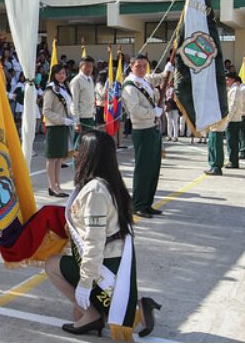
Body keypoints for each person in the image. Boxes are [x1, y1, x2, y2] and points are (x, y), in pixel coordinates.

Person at [45, 130, 161, 340]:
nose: (76, 154)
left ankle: (93, 315)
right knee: (77, 311)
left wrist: (85, 283)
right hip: (113, 260)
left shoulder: (95, 191)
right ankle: (138, 309)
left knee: (52, 265)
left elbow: (94, 243)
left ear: (90, 155)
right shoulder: (109, 181)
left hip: (105, 265)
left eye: (80, 149)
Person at [121, 54, 174, 218]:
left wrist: (167, 71)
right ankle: (138, 204)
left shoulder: (145, 80)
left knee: (153, 168)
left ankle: (147, 203)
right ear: (131, 66)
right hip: (142, 129)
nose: (142, 69)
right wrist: (153, 112)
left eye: (144, 66)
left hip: (153, 127)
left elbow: (159, 78)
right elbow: (135, 110)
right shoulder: (130, 86)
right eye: (138, 66)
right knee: (143, 169)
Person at [43, 64, 73, 198]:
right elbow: (46, 111)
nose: (62, 75)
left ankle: (57, 185)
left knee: (59, 158)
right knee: (52, 157)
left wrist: (71, 118)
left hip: (63, 126)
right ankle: (52, 186)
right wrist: (62, 119)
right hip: (54, 126)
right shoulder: (51, 90)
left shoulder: (63, 88)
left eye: (64, 73)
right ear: (54, 74)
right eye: (59, 73)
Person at [70, 56, 96, 144]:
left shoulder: (90, 79)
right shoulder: (76, 81)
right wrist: (76, 122)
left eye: (91, 66)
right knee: (79, 145)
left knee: (89, 145)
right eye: (87, 66)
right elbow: (74, 102)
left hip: (90, 117)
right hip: (81, 119)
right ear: (81, 66)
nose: (90, 68)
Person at [224, 73, 244, 169]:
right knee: (231, 141)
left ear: (232, 80)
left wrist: (228, 119)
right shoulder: (231, 89)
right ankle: (232, 160)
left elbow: (233, 106)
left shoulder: (235, 90)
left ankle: (233, 161)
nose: (226, 81)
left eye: (227, 79)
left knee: (232, 141)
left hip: (233, 119)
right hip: (232, 119)